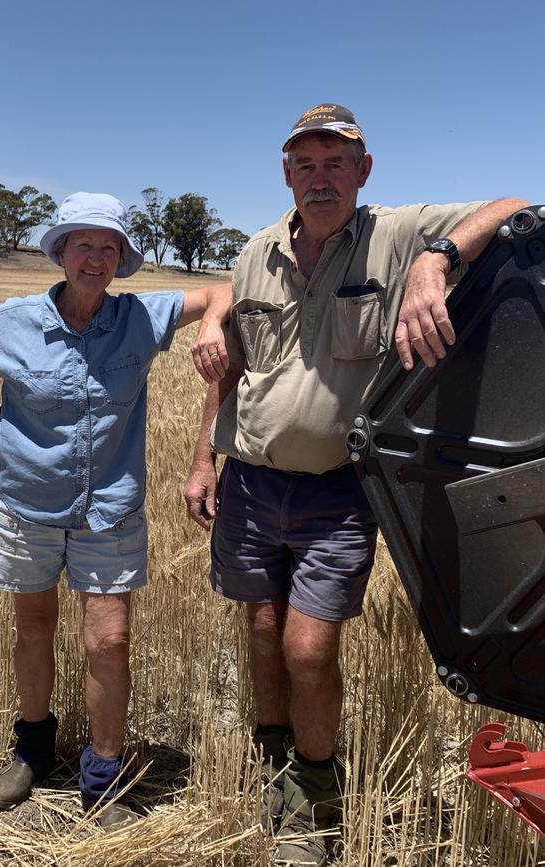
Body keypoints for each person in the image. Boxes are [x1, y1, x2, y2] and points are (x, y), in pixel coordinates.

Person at [183, 104, 527, 865]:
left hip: (338, 493)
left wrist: (436, 260)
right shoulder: (254, 253)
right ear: (285, 174)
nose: (319, 177)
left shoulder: (397, 234)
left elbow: (516, 206)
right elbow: (234, 363)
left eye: (335, 161)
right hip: (249, 481)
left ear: (363, 170)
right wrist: (205, 457)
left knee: (309, 647)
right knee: (263, 630)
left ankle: (316, 788)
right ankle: (275, 761)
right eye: (304, 164)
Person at [0, 191, 230, 829]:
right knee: (33, 627)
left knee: (110, 641)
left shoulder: (139, 319)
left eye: (109, 246)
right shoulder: (14, 321)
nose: (96, 257)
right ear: (60, 252)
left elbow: (221, 289)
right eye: (83, 244)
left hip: (109, 508)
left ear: (122, 258)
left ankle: (103, 773)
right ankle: (32, 749)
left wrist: (210, 325)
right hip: (26, 503)